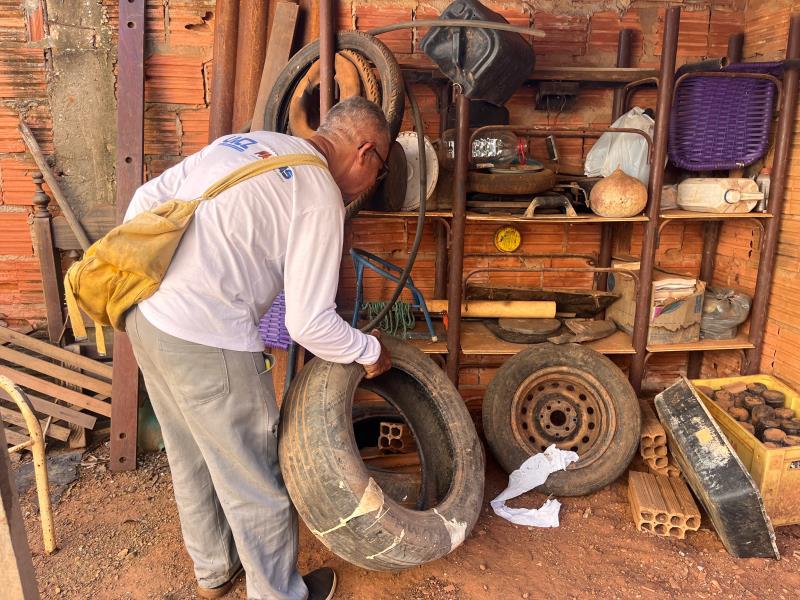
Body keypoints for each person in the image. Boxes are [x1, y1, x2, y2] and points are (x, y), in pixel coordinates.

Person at [122, 97, 393, 600]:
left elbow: (144, 199)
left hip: (147, 316)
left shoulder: (248, 144)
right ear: (365, 152)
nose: (371, 185)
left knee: (190, 454)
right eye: (380, 171)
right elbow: (309, 323)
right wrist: (368, 350)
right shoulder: (318, 192)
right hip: (208, 338)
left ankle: (215, 572)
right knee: (254, 477)